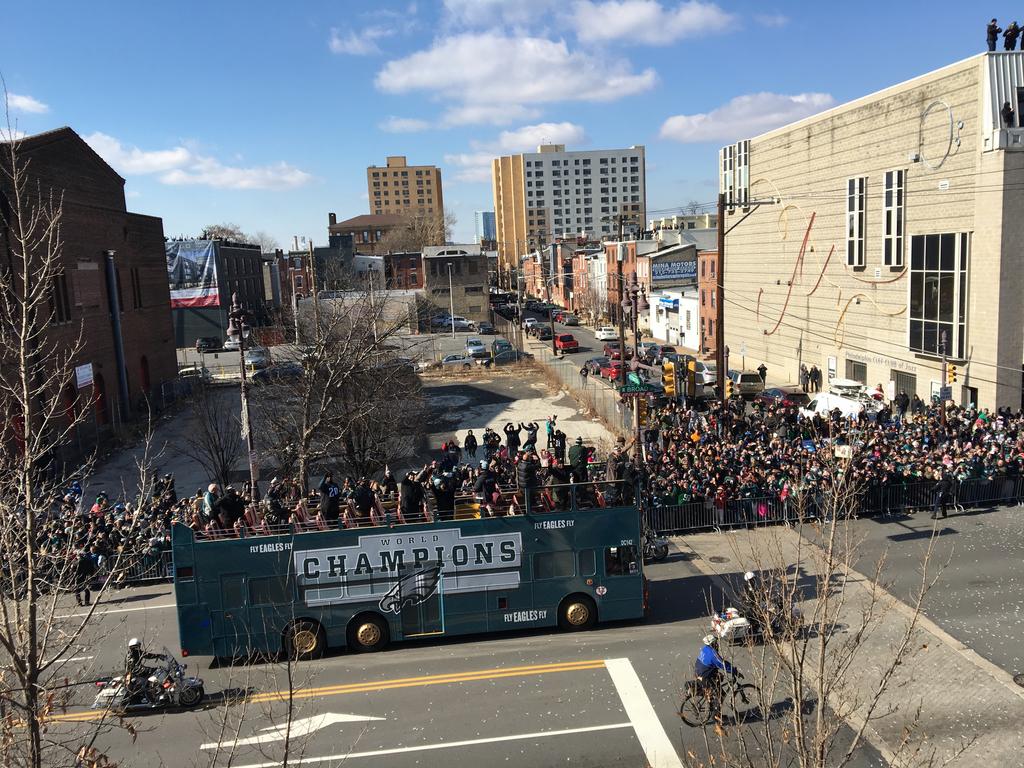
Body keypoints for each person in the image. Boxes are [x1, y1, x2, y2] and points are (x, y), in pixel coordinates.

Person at [694, 635, 738, 710]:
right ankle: (716, 715)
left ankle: (711, 703)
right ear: (712, 643)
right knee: (720, 695)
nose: (717, 644)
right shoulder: (713, 654)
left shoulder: (705, 649)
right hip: (705, 677)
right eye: (715, 642)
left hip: (699, 672)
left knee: (717, 684)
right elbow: (723, 664)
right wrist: (733, 670)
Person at [124, 638, 166, 705]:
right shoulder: (132, 656)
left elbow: (147, 655)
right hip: (135, 676)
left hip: (135, 674)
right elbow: (135, 668)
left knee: (151, 680)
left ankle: (155, 697)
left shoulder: (135, 653)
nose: (139, 648)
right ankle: (153, 699)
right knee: (150, 683)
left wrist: (158, 655)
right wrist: (150, 669)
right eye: (138, 646)